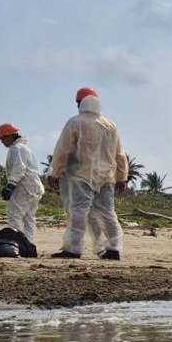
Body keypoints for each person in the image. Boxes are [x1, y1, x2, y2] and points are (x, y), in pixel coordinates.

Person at [47, 87, 127, 260]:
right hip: (107, 177)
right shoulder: (110, 125)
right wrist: (122, 177)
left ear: (79, 103)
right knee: (108, 213)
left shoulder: (75, 122)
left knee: (78, 211)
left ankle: (73, 249)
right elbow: (120, 154)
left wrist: (55, 171)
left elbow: (63, 149)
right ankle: (114, 248)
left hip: (81, 175)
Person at [0, 123, 44, 249]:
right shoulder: (25, 148)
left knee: (14, 214)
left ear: (10, 136)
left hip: (25, 188)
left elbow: (19, 167)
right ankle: (27, 244)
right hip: (35, 188)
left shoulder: (16, 148)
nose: (2, 142)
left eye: (3, 139)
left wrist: (11, 185)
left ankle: (16, 244)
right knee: (29, 218)